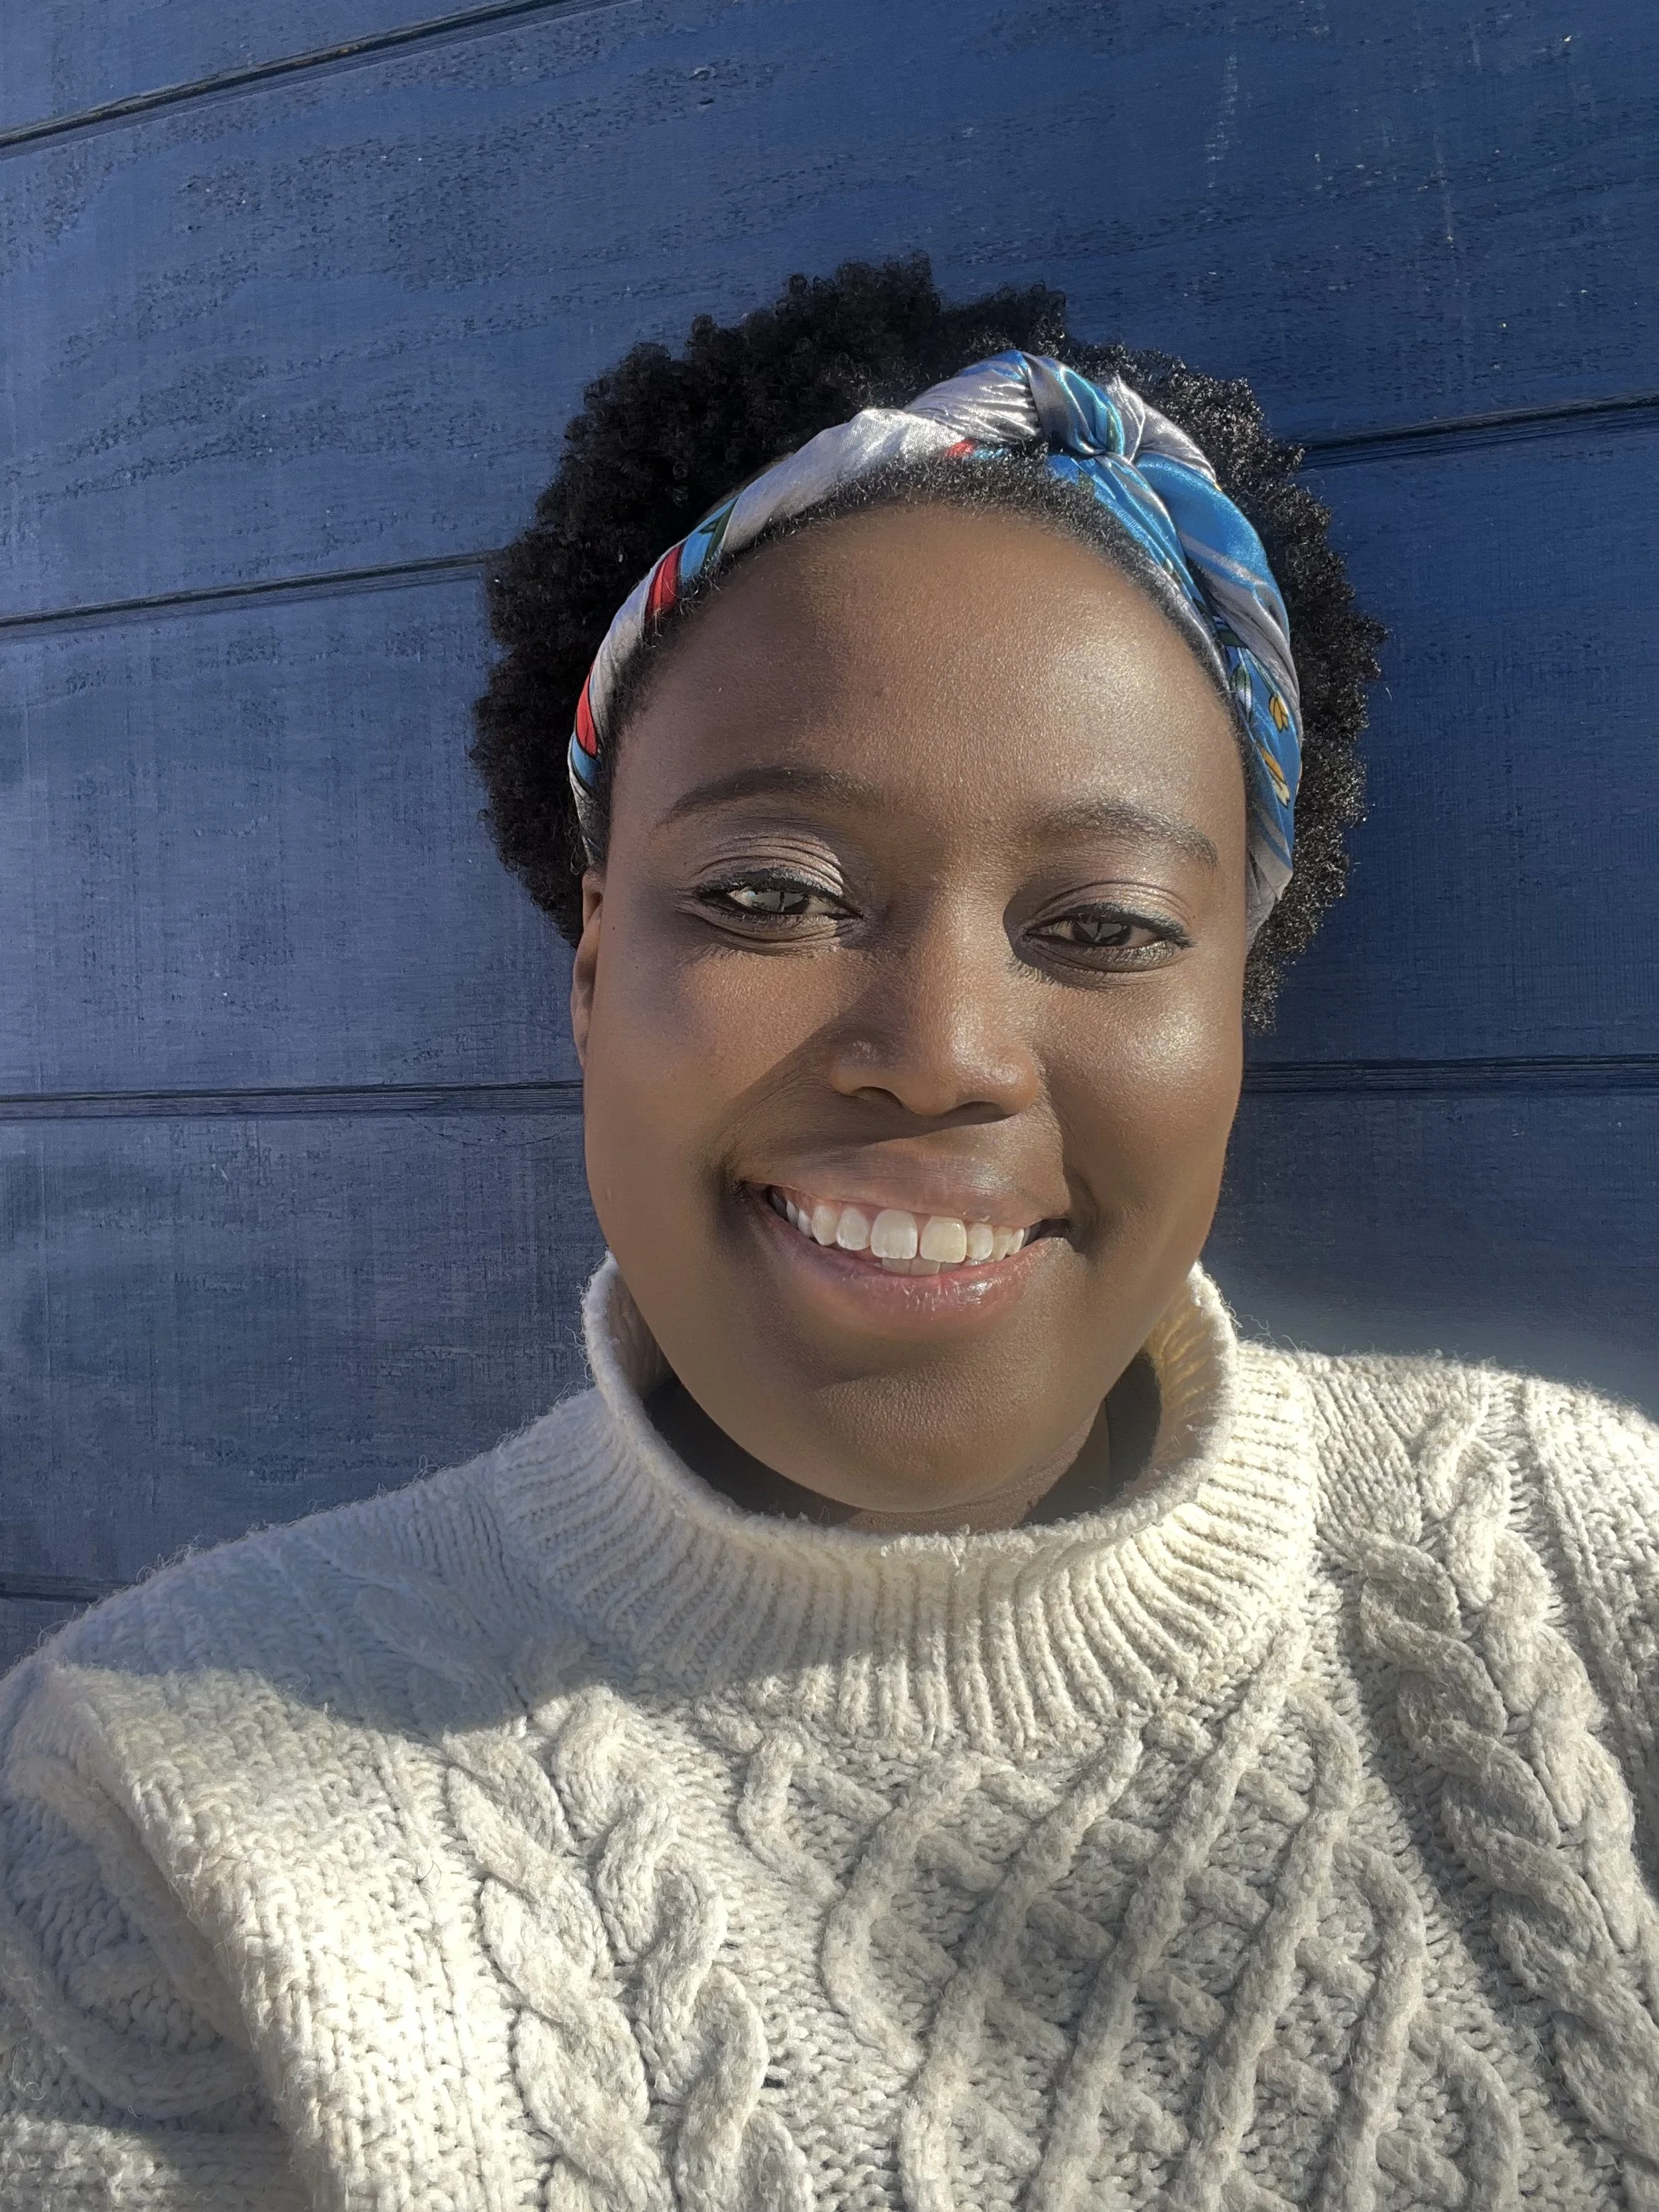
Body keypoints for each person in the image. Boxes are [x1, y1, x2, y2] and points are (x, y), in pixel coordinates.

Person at [1, 256, 1656, 2212]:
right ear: (593, 964)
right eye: (776, 892)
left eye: (1104, 928)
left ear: (1235, 1011)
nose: (943, 1055)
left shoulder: (1585, 1573)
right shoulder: (168, 1795)